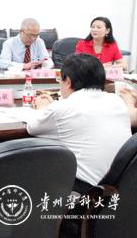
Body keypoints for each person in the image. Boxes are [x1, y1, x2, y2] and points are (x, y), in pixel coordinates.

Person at [28, 54, 131, 193]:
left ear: (68, 81)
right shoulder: (116, 101)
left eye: (60, 79)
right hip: (123, 188)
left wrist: (43, 107)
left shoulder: (62, 107)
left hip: (86, 191)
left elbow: (32, 128)